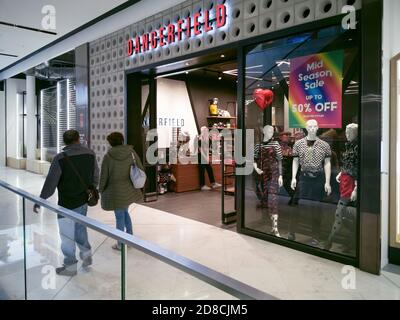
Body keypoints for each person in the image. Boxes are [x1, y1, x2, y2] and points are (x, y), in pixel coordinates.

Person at [34, 130, 99, 277]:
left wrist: (40, 200)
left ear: (64, 142)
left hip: (67, 203)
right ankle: (87, 258)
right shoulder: (90, 153)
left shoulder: (60, 158)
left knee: (67, 235)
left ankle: (70, 267)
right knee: (81, 230)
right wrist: (91, 189)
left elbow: (51, 183)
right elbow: (96, 175)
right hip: (83, 201)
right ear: (78, 139)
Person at [99, 132, 144, 251]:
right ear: (122, 140)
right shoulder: (131, 152)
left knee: (119, 216)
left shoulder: (108, 156)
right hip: (128, 189)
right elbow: (140, 167)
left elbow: (104, 175)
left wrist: (101, 189)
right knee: (124, 212)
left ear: (110, 143)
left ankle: (121, 243)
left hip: (115, 190)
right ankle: (129, 238)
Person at [196, 126, 221, 191]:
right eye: (205, 130)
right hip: (201, 156)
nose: (207, 132)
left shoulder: (208, 139)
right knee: (202, 171)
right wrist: (205, 157)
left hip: (205, 156)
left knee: (209, 169)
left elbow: (209, 148)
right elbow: (200, 150)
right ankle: (202, 185)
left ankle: (213, 183)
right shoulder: (200, 139)